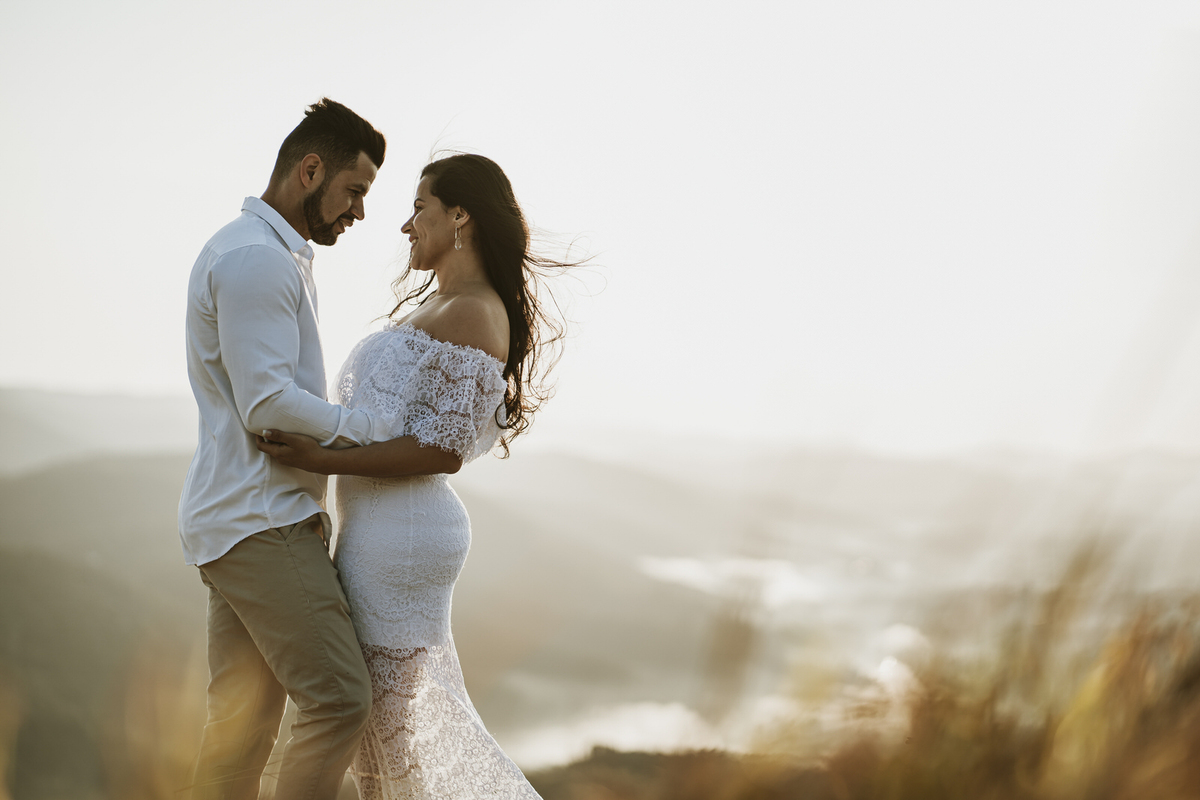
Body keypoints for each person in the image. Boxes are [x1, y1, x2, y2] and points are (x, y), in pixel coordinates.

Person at [256, 153, 566, 798]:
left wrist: (320, 460)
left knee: (392, 728)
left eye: (418, 208)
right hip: (381, 530)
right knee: (386, 730)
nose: (405, 225)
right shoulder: (449, 303)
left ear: (461, 217)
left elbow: (441, 450)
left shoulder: (476, 311)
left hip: (405, 535)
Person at [179, 98, 391, 800]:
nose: (359, 212)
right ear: (309, 170)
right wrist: (370, 429)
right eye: (354, 190)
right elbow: (267, 405)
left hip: (239, 521)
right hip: (261, 522)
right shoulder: (255, 261)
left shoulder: (267, 255)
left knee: (241, 736)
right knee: (338, 700)